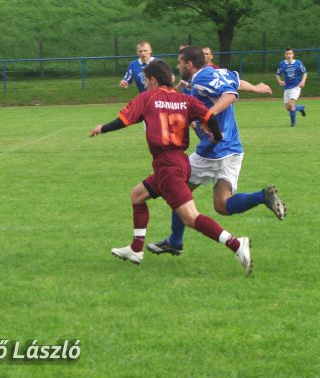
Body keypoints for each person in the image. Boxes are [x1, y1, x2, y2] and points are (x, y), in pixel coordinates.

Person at [90, 60, 252, 275]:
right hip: (180, 163)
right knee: (137, 195)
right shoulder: (186, 99)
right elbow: (209, 117)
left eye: (146, 80)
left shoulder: (148, 98)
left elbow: (124, 120)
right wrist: (217, 136)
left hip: (168, 167)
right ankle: (136, 249)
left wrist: (102, 128)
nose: (145, 84)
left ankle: (236, 244)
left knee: (190, 217)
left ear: (153, 80)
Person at [145, 46, 285, 257]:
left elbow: (230, 94)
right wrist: (256, 88)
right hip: (233, 149)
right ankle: (262, 196)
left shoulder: (202, 79)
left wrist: (208, 116)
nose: (178, 66)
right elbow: (236, 83)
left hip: (213, 151)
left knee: (178, 190)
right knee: (222, 204)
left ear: (189, 64)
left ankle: (175, 242)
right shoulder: (219, 72)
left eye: (180, 62)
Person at [276, 47, 307, 127]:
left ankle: (293, 124)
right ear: (285, 55)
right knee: (288, 108)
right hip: (287, 88)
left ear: (293, 54)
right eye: (287, 54)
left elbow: (305, 73)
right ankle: (300, 108)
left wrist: (303, 81)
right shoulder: (282, 64)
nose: (288, 55)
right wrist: (279, 81)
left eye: (290, 53)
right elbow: (277, 74)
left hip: (296, 87)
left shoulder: (298, 63)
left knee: (291, 104)